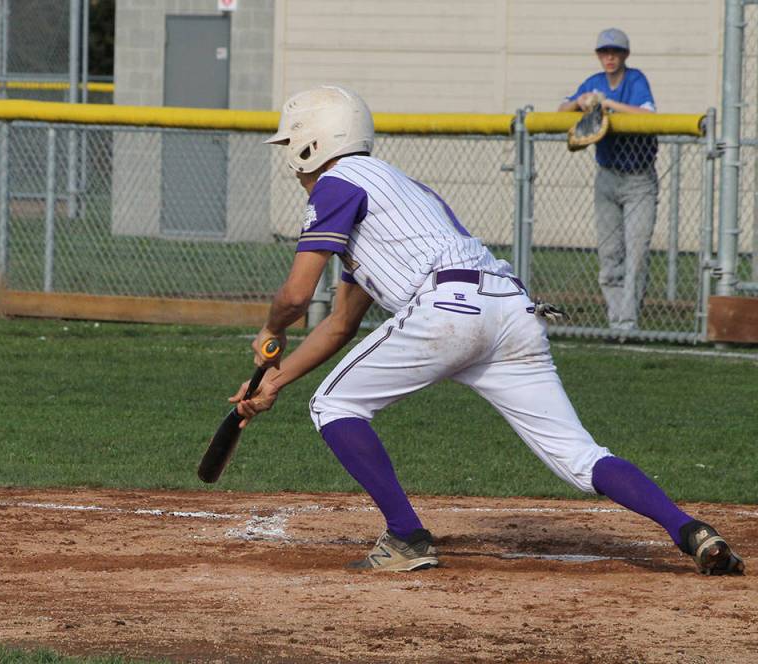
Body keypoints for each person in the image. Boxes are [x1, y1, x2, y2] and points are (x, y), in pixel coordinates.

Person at [231, 84, 744, 575]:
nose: (290, 157)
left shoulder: (336, 183)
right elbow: (341, 322)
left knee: (334, 405)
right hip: (511, 310)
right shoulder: (398, 191)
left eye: (292, 144)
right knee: (580, 456)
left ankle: (406, 537)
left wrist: (269, 331)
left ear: (312, 144)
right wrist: (275, 379)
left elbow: (297, 297)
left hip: (448, 307)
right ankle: (690, 530)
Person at [558, 28, 658, 333]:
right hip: (608, 177)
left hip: (639, 179)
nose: (609, 57)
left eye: (615, 52)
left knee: (636, 253)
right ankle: (618, 322)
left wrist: (608, 104)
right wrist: (581, 101)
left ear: (625, 55)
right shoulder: (594, 82)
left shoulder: (636, 79)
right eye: (604, 52)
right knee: (609, 254)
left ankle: (628, 322)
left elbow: (648, 117)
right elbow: (562, 109)